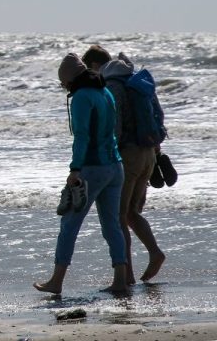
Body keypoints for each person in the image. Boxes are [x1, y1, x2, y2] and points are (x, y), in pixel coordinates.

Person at [34, 53, 127, 294]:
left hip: (92, 168)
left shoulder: (81, 98)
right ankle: (120, 279)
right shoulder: (104, 92)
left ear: (69, 80)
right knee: (112, 226)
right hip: (115, 166)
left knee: (69, 224)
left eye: (62, 82)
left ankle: (56, 281)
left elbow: (82, 136)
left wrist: (75, 169)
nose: (63, 86)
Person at [82, 45, 166, 284]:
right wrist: (156, 152)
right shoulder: (135, 79)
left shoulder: (110, 86)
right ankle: (154, 252)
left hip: (127, 156)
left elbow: (115, 128)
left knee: (118, 217)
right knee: (131, 212)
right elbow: (158, 115)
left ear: (96, 66)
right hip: (148, 153)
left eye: (90, 70)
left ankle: (126, 275)